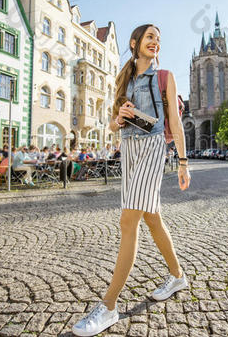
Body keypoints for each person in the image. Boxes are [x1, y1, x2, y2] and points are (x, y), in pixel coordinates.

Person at [72, 24, 191, 336]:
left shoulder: (164, 76)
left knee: (128, 221)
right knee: (152, 219)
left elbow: (173, 123)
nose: (156, 42)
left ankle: (109, 306)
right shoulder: (123, 78)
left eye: (159, 39)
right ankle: (177, 275)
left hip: (153, 148)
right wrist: (119, 118)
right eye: (150, 37)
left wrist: (183, 161)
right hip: (129, 149)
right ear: (135, 43)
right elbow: (113, 125)